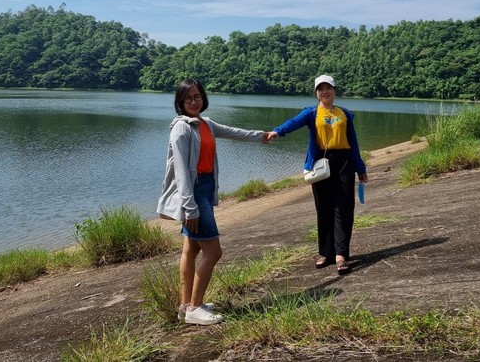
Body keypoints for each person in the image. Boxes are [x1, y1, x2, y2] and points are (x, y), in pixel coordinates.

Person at [156, 78, 276, 325]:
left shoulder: (205, 124)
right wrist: (190, 207)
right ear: (179, 101)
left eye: (197, 96)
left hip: (205, 188)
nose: (193, 101)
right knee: (214, 252)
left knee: (192, 248)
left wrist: (260, 136)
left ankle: (185, 305)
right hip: (194, 193)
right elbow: (181, 172)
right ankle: (195, 308)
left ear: (203, 98)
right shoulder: (181, 128)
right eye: (187, 98)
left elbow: (233, 132)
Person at [266, 74, 368, 275]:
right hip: (322, 163)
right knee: (324, 208)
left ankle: (341, 255)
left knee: (344, 208)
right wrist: (277, 131)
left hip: (344, 162)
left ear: (334, 91)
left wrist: (361, 168)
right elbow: (293, 122)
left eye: (328, 88)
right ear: (316, 93)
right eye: (320, 89)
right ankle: (325, 252)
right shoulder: (311, 113)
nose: (325, 92)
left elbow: (354, 144)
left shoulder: (345, 114)